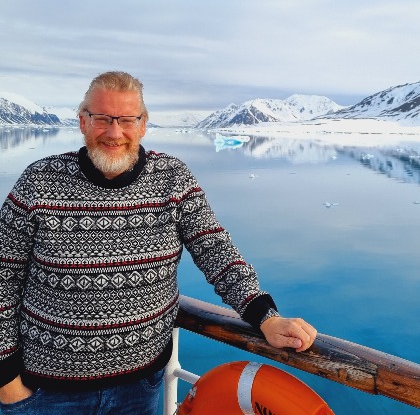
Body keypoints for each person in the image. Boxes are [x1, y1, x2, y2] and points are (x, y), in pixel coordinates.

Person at [0, 71, 317, 415]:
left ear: (143, 124)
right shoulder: (39, 182)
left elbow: (215, 250)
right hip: (45, 392)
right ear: (82, 122)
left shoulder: (173, 179)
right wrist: (6, 382)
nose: (114, 132)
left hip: (139, 389)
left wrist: (265, 317)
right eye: (102, 119)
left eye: (126, 120)